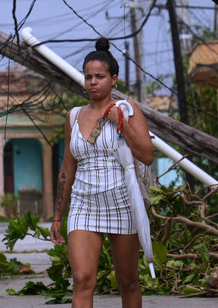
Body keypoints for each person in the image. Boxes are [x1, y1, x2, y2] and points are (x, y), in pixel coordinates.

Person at [51, 38, 154, 308]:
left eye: (100, 76)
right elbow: (67, 168)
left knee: (128, 281)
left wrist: (120, 123)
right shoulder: (73, 116)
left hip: (122, 203)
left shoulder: (128, 111)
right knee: (83, 279)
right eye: (88, 77)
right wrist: (58, 215)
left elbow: (147, 155)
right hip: (84, 205)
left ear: (113, 79)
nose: (93, 82)